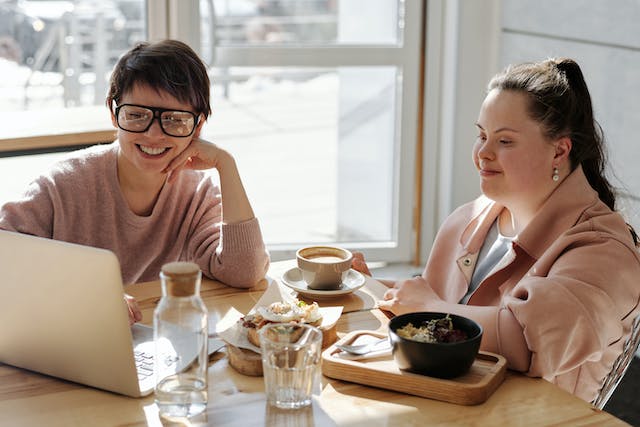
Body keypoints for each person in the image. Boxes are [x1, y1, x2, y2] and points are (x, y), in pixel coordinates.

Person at [352, 58, 640, 403]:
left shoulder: (603, 251)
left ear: (559, 151)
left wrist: (426, 307)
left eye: (505, 141)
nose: (482, 153)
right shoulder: (471, 218)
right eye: (482, 135)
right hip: (443, 406)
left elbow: (525, 341)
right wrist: (366, 287)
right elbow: (438, 304)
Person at [0, 40, 270, 324]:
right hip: (69, 335)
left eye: (175, 119)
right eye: (137, 116)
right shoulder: (63, 184)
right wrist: (89, 292)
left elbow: (245, 272)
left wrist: (226, 165)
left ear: (198, 126)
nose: (154, 134)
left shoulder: (197, 192)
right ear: (113, 112)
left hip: (154, 340)